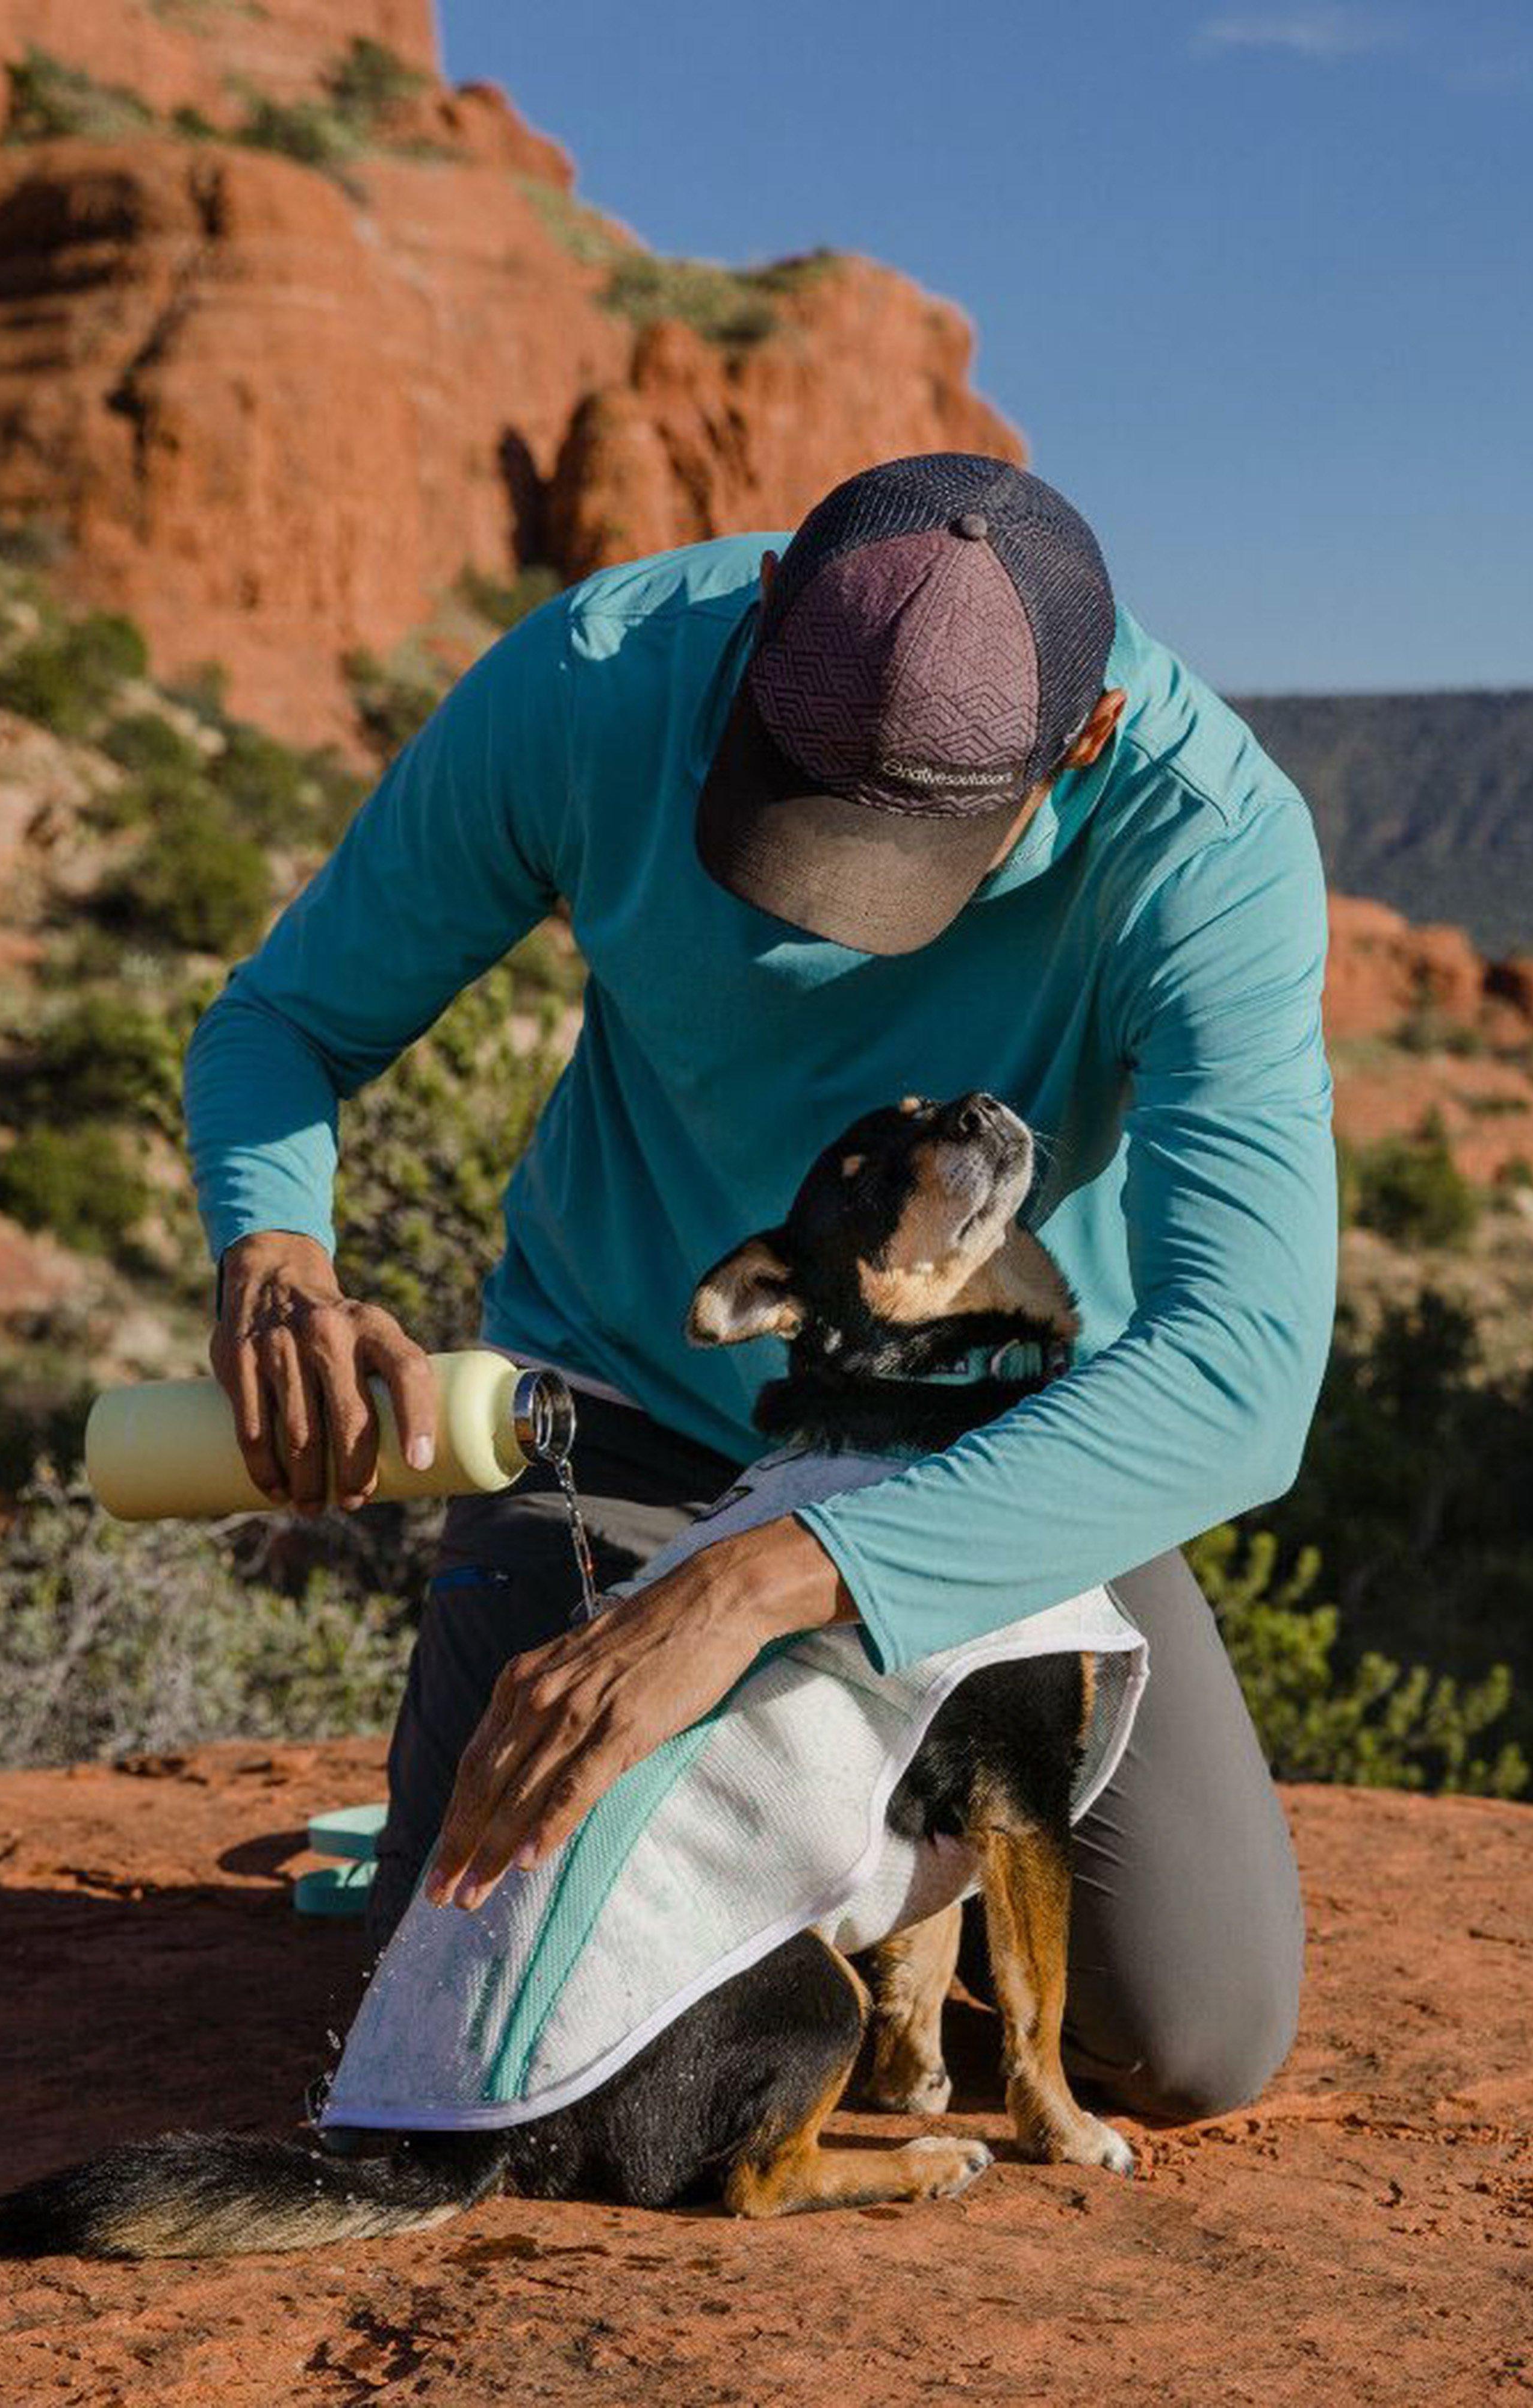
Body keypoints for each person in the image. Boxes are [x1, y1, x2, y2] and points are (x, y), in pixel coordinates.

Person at [182, 453, 1336, 2120]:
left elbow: (1240, 1377)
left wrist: (748, 1590)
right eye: (790, 807)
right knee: (462, 2026)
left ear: (1075, 746)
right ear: (768, 609)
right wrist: (273, 1246)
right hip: (622, 1418)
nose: (829, 913)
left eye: (904, 857)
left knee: (1192, 2041)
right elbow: (284, 1019)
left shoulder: (1201, 843)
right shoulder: (599, 679)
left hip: (993, 1447)